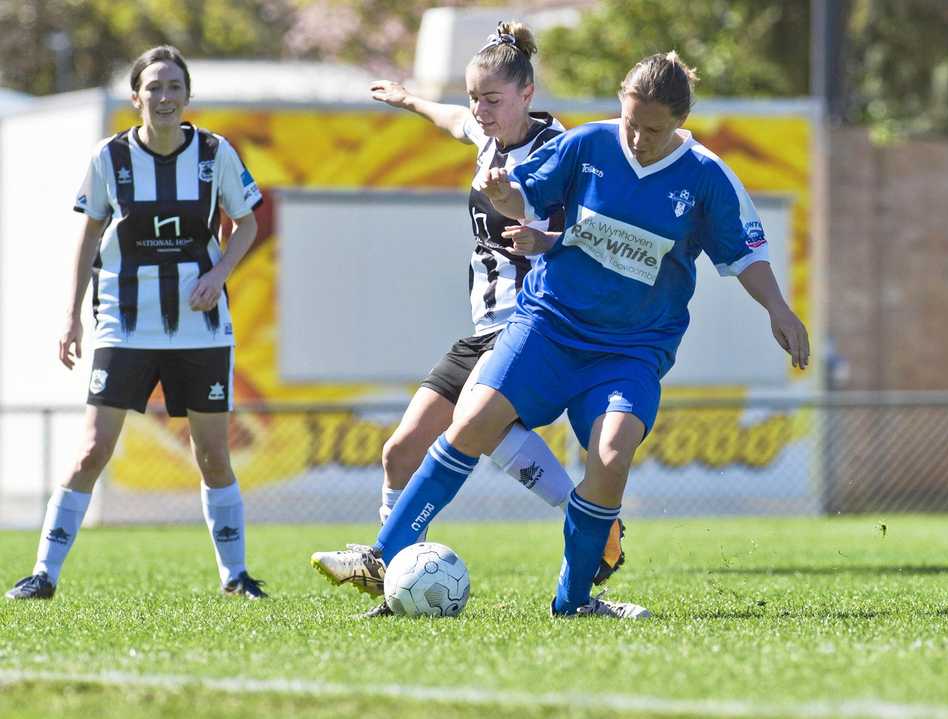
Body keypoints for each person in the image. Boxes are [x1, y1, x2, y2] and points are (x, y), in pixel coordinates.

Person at [313, 50, 809, 619]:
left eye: (653, 129)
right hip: (548, 324)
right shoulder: (587, 145)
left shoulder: (706, 177)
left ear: (679, 122)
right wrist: (505, 196)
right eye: (630, 122)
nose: (639, 139)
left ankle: (574, 602)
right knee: (472, 420)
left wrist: (778, 308)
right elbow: (526, 195)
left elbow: (746, 253)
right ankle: (382, 557)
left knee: (612, 455)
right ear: (620, 104)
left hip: (631, 350)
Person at [310, 22, 624, 614]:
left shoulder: (562, 151)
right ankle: (398, 576)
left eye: (491, 99)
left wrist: (547, 237)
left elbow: (594, 231)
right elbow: (449, 119)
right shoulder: (486, 137)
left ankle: (598, 526)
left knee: (488, 431)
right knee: (401, 451)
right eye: (474, 97)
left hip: (532, 324)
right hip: (479, 329)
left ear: (527, 95)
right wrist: (408, 101)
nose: (478, 110)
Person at [5, 46, 267, 600]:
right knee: (91, 451)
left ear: (187, 96)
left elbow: (246, 224)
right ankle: (44, 574)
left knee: (213, 455)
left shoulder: (215, 153)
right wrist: (70, 316)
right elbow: (86, 236)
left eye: (174, 86)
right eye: (154, 87)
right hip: (123, 324)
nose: (165, 97)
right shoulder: (110, 158)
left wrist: (219, 273)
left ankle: (235, 577)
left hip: (200, 327)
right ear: (136, 98)